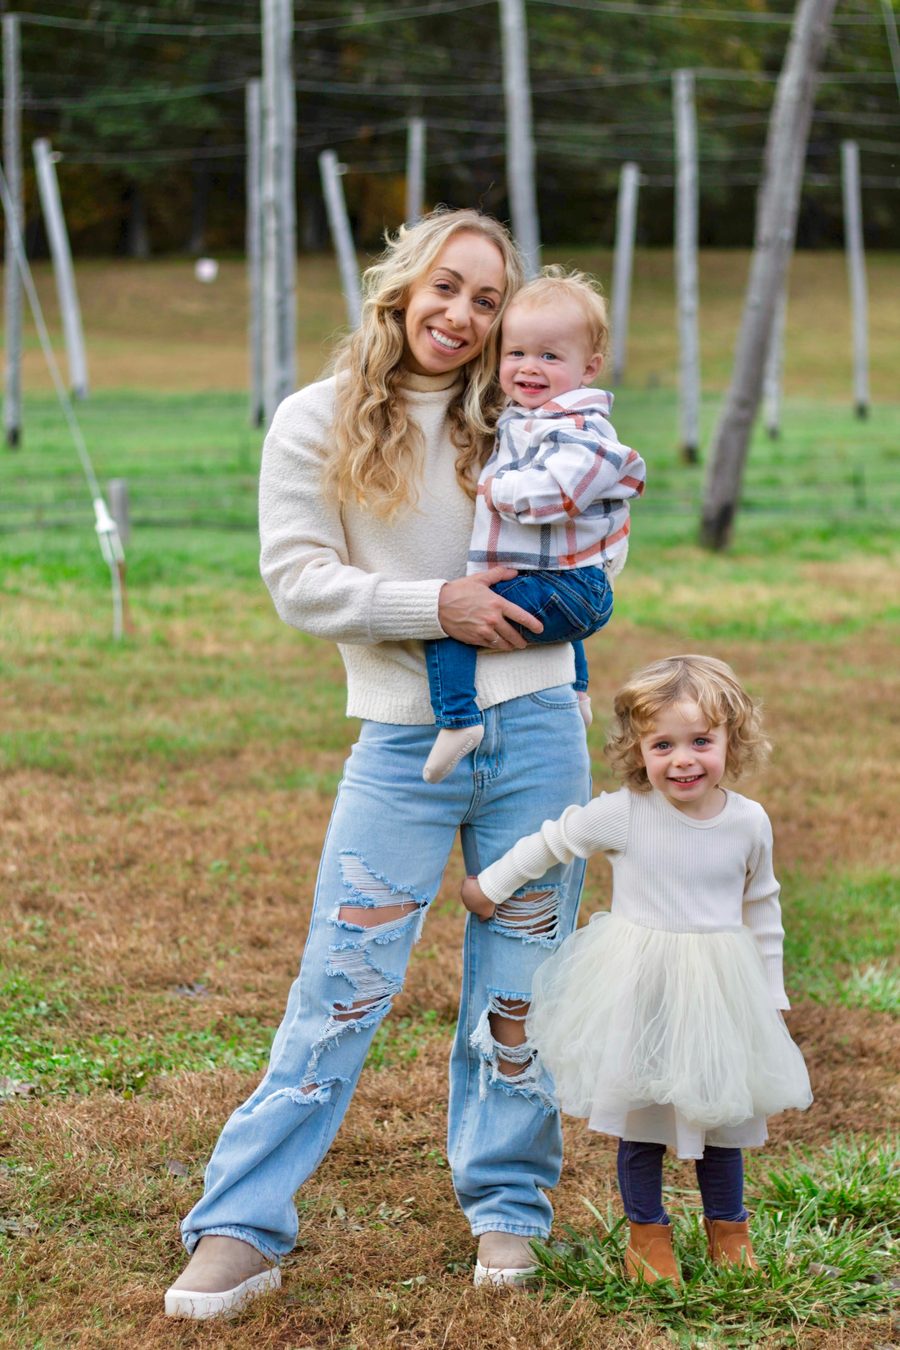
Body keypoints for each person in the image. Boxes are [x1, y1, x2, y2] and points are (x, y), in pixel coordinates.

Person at [164, 207, 594, 1320]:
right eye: (445, 288)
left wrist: (534, 576)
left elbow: (601, 538)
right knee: (340, 988)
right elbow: (299, 579)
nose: (462, 315)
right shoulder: (315, 421)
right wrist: (434, 604)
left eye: (488, 300)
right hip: (405, 742)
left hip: (541, 728)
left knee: (523, 988)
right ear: (401, 288)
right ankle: (240, 1224)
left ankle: (508, 1210)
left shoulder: (523, 412)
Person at [461, 654, 812, 1281]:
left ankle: (729, 1233)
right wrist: (489, 885)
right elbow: (553, 841)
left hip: (719, 991)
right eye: (663, 744)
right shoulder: (627, 811)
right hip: (642, 983)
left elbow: (763, 905)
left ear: (733, 740)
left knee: (720, 1114)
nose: (683, 759)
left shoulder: (747, 821)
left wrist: (769, 991)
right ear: (638, 748)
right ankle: (648, 1240)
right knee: (644, 1117)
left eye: (701, 741)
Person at [422, 267, 645, 785]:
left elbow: (560, 494)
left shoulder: (579, 426)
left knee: (450, 622)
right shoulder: (529, 417)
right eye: (516, 353)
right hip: (571, 580)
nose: (529, 368)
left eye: (550, 356)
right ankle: (577, 692)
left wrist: (495, 491)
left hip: (573, 587)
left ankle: (458, 720)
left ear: (589, 368)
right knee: (536, 595)